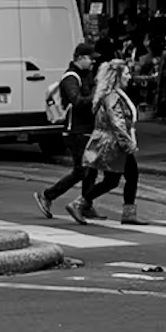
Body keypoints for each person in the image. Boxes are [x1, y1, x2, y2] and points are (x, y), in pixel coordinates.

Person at [70, 57, 141, 225]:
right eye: (126, 73)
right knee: (131, 175)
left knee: (112, 180)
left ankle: (80, 203)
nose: (129, 77)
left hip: (112, 143)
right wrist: (128, 144)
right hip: (115, 144)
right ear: (117, 76)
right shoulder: (113, 98)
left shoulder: (111, 95)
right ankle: (127, 214)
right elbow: (118, 124)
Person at [35, 41, 99, 219]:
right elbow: (76, 101)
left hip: (86, 128)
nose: (93, 62)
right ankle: (48, 195)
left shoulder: (86, 75)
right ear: (80, 58)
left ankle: (86, 205)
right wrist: (95, 94)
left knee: (91, 168)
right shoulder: (70, 78)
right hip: (75, 130)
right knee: (81, 171)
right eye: (90, 59)